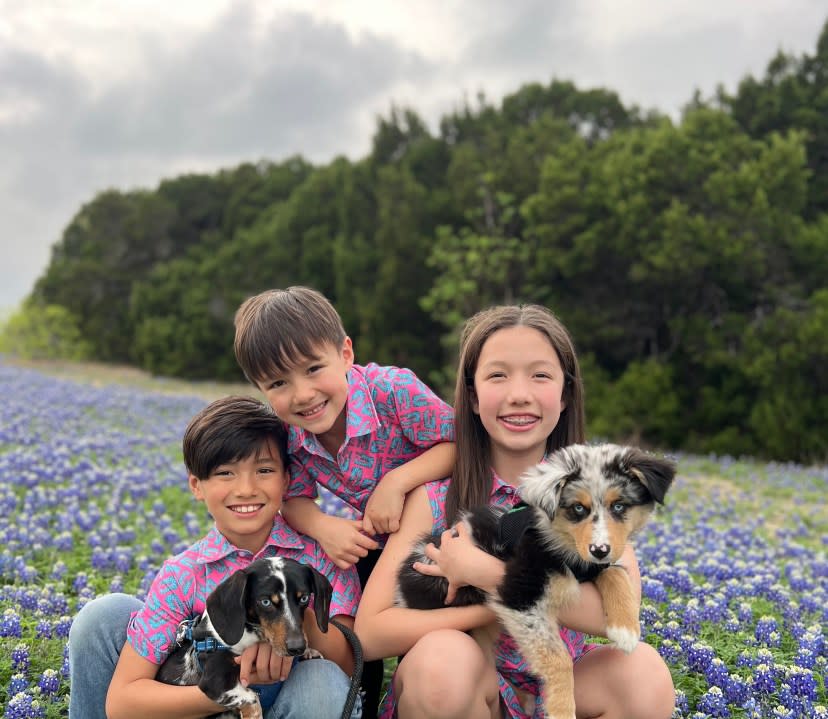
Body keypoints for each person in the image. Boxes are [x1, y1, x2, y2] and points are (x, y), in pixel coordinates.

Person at [354, 304, 676, 719]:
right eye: (497, 375)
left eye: (540, 375)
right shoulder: (435, 499)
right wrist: (488, 608)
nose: (519, 393)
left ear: (565, 395)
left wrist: (485, 573)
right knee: (441, 660)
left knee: (643, 672)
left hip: (559, 692)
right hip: (469, 691)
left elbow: (613, 616)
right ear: (471, 395)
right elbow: (370, 633)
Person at [234, 286, 456, 718]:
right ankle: (363, 698)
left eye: (314, 368)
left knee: (427, 646)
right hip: (380, 537)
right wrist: (322, 525)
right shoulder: (292, 432)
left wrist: (398, 480)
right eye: (278, 383)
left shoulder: (393, 390)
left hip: (444, 531)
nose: (302, 394)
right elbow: (293, 499)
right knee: (345, 597)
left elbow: (460, 446)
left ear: (346, 352)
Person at [68, 395, 362, 719]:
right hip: (207, 702)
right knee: (103, 615)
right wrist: (228, 691)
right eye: (225, 473)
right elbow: (123, 704)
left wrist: (292, 610)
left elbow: (349, 665)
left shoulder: (323, 556)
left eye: (264, 470)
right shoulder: (184, 574)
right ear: (197, 485)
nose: (246, 488)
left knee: (322, 680)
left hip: (295, 704)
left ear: (287, 480)